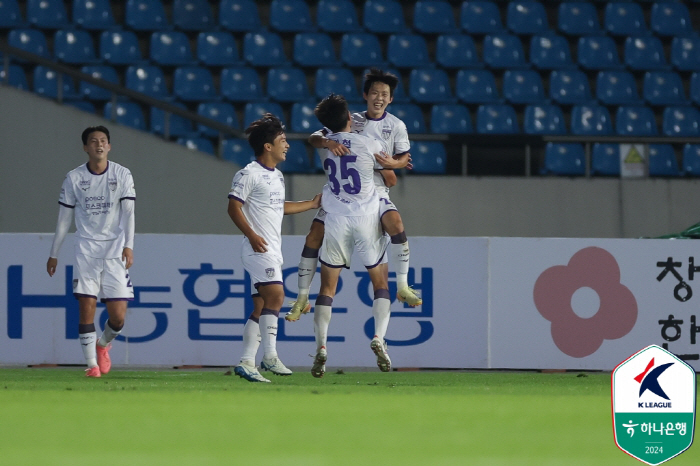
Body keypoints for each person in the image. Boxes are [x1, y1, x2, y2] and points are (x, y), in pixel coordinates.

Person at [286, 68, 421, 323]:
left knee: (396, 224)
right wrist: (327, 142)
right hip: (341, 194)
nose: (379, 98)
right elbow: (315, 136)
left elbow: (401, 160)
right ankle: (302, 297)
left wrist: (395, 164)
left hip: (375, 191)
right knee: (313, 235)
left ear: (390, 99)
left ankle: (402, 285)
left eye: (385, 94)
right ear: (366, 95)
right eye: (375, 93)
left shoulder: (396, 126)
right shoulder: (353, 120)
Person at [227, 113, 321, 383]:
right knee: (277, 297)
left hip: (271, 249)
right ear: (267, 146)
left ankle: (246, 361)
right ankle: (269, 356)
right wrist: (252, 235)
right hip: (258, 249)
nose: (287, 145)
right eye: (282, 140)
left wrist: (311, 204)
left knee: (260, 308)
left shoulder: (277, 177)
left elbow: (278, 208)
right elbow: (233, 207)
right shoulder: (248, 174)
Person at [309, 93, 395, 378]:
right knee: (380, 284)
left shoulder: (325, 146)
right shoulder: (368, 142)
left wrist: (327, 140)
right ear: (349, 118)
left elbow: (313, 138)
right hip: (366, 218)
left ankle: (321, 347)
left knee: (327, 290)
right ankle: (379, 338)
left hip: (335, 220)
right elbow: (391, 179)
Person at [46, 125, 135, 378]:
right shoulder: (74, 178)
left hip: (115, 250)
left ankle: (103, 345)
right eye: (93, 141)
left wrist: (129, 245)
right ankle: (92, 365)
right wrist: (54, 253)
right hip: (86, 250)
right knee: (87, 306)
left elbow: (129, 214)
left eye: (103, 141)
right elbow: (64, 219)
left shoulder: (122, 174)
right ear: (85, 147)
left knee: (117, 319)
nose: (99, 144)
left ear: (109, 146)